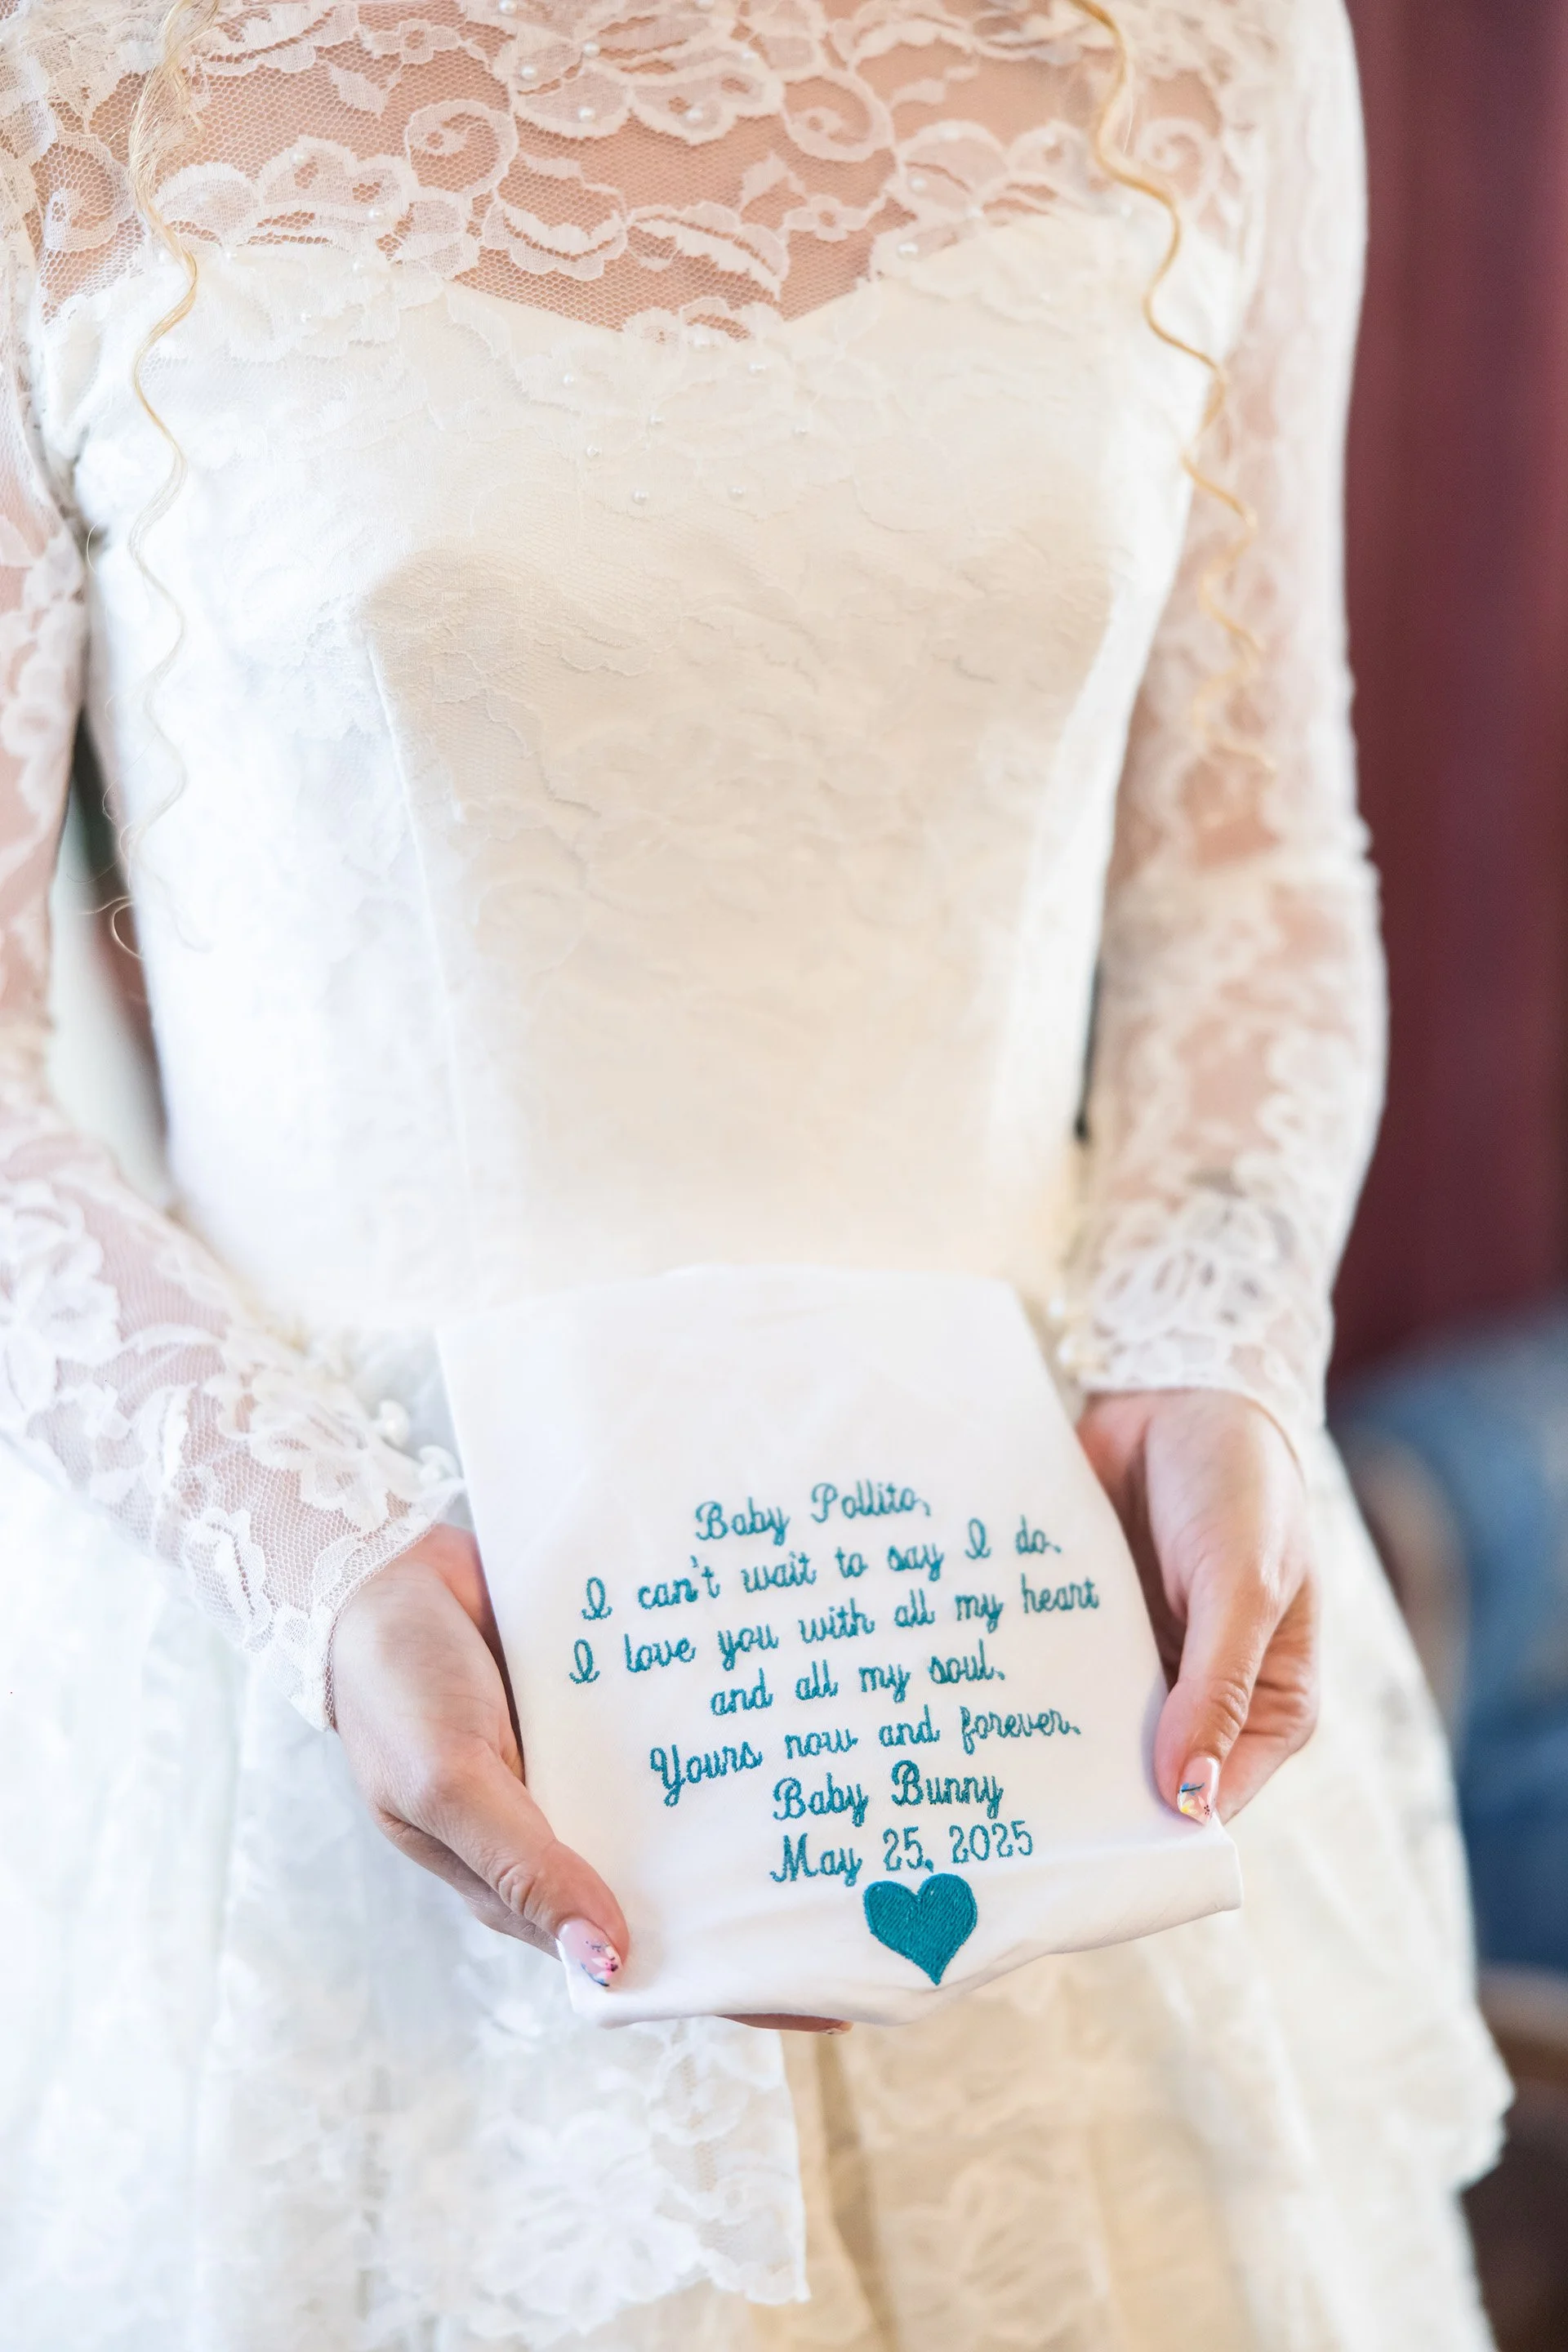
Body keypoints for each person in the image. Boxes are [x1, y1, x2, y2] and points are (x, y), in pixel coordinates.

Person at [0, 1, 1508, 2345]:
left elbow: (1254, 871)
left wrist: (1211, 1337)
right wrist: (307, 1554)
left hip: (1035, 1646)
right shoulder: (66, 72)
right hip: (361, 1711)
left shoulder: (1206, 44)